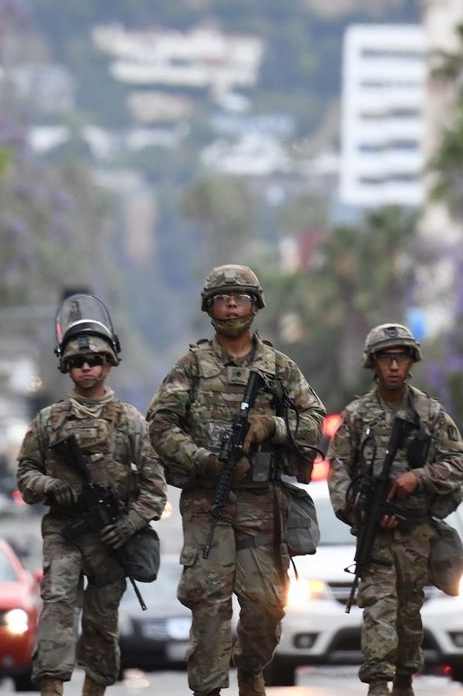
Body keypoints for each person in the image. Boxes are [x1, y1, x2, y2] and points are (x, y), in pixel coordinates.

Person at [147, 264, 326, 696]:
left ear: (255, 305)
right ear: (210, 308)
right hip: (209, 502)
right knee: (209, 606)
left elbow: (314, 422)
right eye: (223, 297)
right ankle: (207, 688)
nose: (231, 304)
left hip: (263, 501)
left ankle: (250, 669)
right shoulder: (191, 367)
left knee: (266, 606)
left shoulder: (279, 368)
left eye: (240, 296)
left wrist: (272, 427)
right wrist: (203, 460)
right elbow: (160, 425)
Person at [16, 294, 167, 696]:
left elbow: (155, 486)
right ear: (67, 366)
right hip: (65, 534)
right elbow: (26, 475)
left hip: (110, 539)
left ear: (109, 363)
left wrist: (130, 523)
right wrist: (52, 486)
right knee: (58, 608)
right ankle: (51, 687)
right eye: (79, 362)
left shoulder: (130, 421)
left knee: (102, 625)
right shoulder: (49, 421)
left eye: (95, 361)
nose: (87, 367)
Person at [327, 324, 463, 696]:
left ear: (411, 362)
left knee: (408, 617)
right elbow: (339, 469)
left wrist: (419, 477)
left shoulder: (430, 413)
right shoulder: (357, 416)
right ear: (373, 364)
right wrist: (359, 511)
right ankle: (377, 682)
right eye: (386, 358)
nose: (393, 366)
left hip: (417, 535)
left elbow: (459, 464)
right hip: (375, 535)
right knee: (378, 610)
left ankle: (404, 680)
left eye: (400, 357)